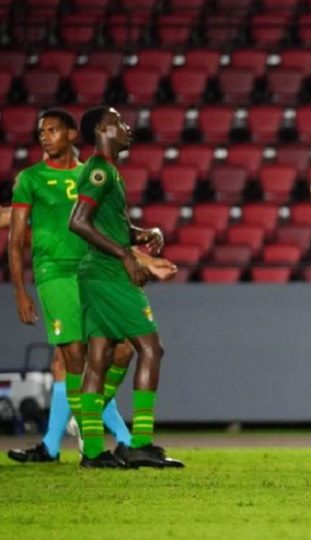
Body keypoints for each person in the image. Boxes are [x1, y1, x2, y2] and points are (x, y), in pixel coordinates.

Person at [6, 109, 138, 463]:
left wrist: (142, 259)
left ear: (71, 134)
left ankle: (74, 429)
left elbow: (113, 226)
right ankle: (109, 439)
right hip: (55, 273)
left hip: (93, 272)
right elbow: (15, 234)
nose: (44, 137)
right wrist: (20, 290)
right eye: (41, 132)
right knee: (73, 360)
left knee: (120, 349)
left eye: (52, 130)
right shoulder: (31, 179)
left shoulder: (91, 174)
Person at [69, 105, 182, 469]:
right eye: (118, 122)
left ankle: (92, 451)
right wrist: (126, 256)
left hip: (96, 273)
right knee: (151, 348)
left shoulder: (108, 172)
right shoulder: (100, 171)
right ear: (102, 129)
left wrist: (142, 234)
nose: (126, 127)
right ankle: (140, 443)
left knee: (99, 358)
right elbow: (79, 222)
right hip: (107, 273)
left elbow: (107, 225)